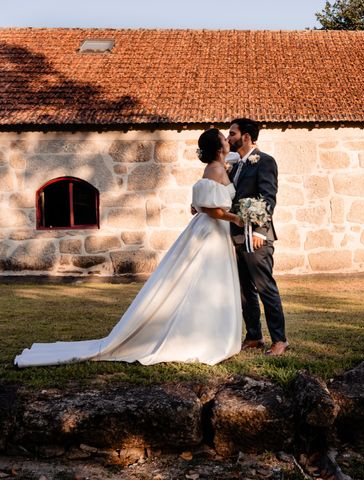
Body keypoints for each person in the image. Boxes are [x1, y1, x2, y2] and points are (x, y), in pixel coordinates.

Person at [14, 129, 243, 367]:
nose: (229, 141)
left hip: (214, 231)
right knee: (201, 279)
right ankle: (201, 335)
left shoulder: (220, 166)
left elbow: (204, 200)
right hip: (211, 231)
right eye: (225, 140)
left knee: (207, 281)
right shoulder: (214, 170)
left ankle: (206, 330)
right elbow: (210, 209)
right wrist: (237, 219)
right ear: (218, 148)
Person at [227, 118, 288, 356]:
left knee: (265, 287)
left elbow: (268, 197)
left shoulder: (264, 162)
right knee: (244, 291)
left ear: (246, 137)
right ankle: (254, 336)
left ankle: (279, 340)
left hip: (257, 238)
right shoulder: (235, 165)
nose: (229, 138)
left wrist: (261, 231)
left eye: (232, 133)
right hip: (237, 237)